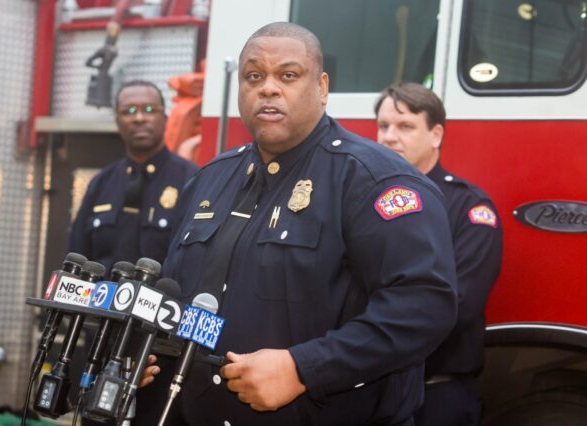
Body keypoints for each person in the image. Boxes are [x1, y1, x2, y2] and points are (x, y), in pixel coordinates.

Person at [144, 22, 457, 426]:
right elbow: (172, 292)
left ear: (322, 87)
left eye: (287, 75)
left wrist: (304, 368)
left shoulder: (374, 181)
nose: (268, 88)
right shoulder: (210, 180)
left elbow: (423, 306)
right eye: (253, 76)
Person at [67, 79, 198, 425]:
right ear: (117, 120)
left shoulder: (193, 181)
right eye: (129, 111)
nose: (140, 118)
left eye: (149, 109)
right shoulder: (101, 184)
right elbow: (76, 259)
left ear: (165, 117)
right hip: (101, 345)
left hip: (161, 351)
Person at [375, 82, 503, 425]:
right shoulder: (361, 202)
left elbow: (458, 305)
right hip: (367, 393)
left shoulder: (469, 209)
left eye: (405, 127)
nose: (388, 137)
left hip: (435, 397)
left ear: (435, 135)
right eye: (383, 126)